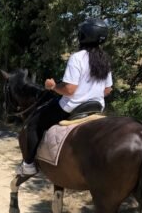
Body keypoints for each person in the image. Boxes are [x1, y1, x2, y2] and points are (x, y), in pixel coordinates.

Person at [17, 18, 113, 176]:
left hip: (72, 107)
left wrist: (53, 86)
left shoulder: (77, 58)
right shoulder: (105, 60)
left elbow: (69, 89)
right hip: (96, 106)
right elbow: (108, 89)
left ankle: (28, 165)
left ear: (83, 36)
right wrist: (91, 93)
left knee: (33, 124)